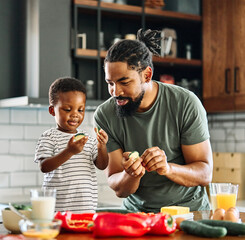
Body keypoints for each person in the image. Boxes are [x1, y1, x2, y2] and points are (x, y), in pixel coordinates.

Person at [94, 29, 213, 213]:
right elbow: (118, 187)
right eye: (110, 83)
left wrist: (167, 168)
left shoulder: (185, 103)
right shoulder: (105, 115)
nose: (115, 92)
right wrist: (131, 175)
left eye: (124, 82)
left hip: (189, 213)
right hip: (137, 215)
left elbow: (205, 173)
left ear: (147, 75)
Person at [35, 77, 109, 213]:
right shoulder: (49, 137)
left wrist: (101, 146)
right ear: (52, 111)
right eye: (68, 109)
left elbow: (102, 165)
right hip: (58, 211)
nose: (75, 115)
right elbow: (44, 166)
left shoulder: (87, 139)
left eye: (80, 110)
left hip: (86, 211)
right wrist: (69, 151)